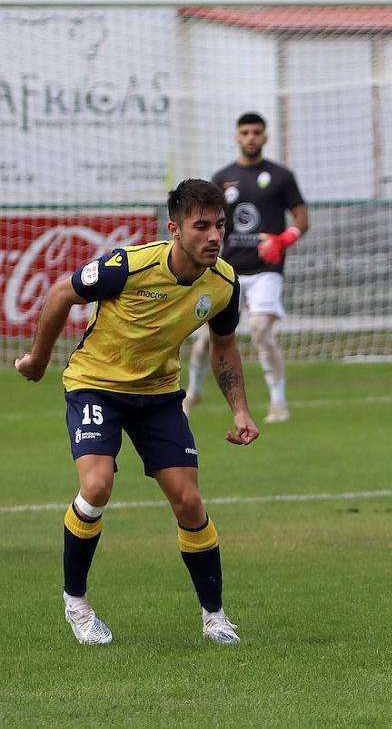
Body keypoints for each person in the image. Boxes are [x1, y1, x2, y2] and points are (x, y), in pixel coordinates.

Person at [14, 179, 260, 646]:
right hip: (95, 385)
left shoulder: (224, 282)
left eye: (220, 226)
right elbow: (60, 295)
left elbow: (224, 347)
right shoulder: (127, 266)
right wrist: (39, 359)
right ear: (174, 229)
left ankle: (215, 617)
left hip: (158, 394)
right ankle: (78, 604)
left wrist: (241, 410)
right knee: (97, 485)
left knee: (189, 502)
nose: (213, 236)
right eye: (201, 226)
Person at [184, 112, 309, 423]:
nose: (251, 137)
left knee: (261, 332)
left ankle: (278, 403)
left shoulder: (281, 176)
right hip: (228, 271)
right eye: (245, 132)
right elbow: (206, 222)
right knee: (204, 341)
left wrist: (284, 239)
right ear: (237, 137)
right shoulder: (222, 177)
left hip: (266, 269)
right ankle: (192, 392)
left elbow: (302, 219)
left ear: (265, 137)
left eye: (256, 132)